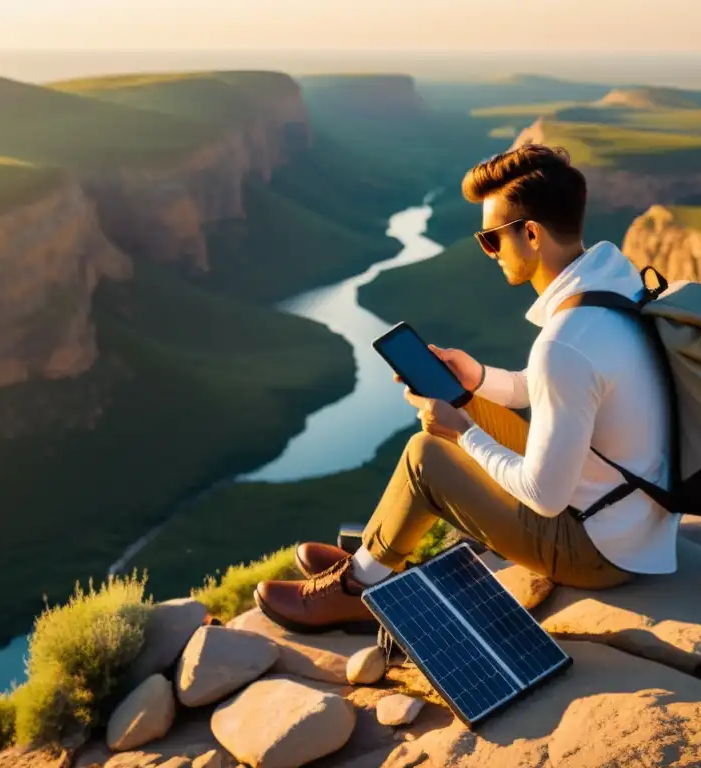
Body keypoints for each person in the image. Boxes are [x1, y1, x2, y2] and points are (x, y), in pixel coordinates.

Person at [254, 143, 677, 634]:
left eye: (491, 239)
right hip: (635, 516)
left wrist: (463, 437)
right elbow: (552, 389)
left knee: (426, 456)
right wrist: (475, 377)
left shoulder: (567, 343)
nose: (489, 253)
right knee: (464, 402)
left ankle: (357, 589)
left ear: (532, 234)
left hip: (601, 550)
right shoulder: (618, 286)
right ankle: (374, 553)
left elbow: (543, 495)